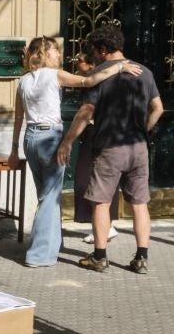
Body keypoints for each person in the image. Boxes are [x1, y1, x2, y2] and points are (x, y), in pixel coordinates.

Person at [10, 37, 138, 267]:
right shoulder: (54, 74)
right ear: (45, 53)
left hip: (30, 139)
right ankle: (38, 254)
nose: (59, 54)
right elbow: (89, 81)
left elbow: (18, 117)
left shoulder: (23, 80)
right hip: (49, 137)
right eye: (55, 50)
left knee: (45, 195)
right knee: (49, 198)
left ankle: (52, 244)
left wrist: (13, 150)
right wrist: (119, 67)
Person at [56, 25, 163, 274]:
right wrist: (142, 130)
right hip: (138, 147)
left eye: (94, 49)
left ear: (103, 49)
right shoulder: (144, 72)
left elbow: (86, 111)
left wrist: (67, 140)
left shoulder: (101, 73)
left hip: (110, 146)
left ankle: (100, 257)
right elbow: (158, 108)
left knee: (101, 202)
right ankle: (141, 258)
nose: (92, 54)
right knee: (139, 203)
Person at [72, 50, 122, 244]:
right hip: (94, 133)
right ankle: (103, 226)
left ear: (91, 65)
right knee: (89, 179)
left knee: (90, 179)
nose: (77, 64)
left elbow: (88, 110)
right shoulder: (88, 81)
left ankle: (105, 226)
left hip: (98, 132)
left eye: (80, 61)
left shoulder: (96, 83)